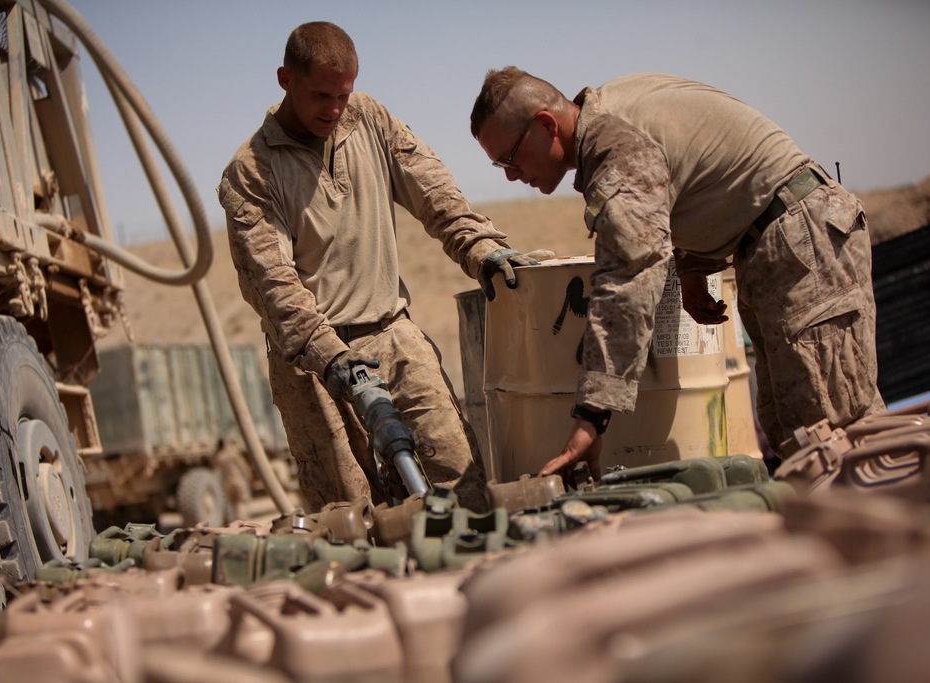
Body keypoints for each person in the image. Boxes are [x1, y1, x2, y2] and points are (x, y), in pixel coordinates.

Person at [469, 68, 885, 481]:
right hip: (779, 243)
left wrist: (592, 416)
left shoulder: (618, 149)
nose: (510, 175)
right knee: (794, 428)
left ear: (545, 124)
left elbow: (627, 282)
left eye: (509, 158)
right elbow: (699, 171)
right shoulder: (613, 108)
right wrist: (692, 268)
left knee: (833, 433)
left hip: (799, 243)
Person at [218, 23, 544, 513]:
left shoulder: (369, 119)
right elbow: (274, 286)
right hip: (316, 363)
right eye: (320, 95)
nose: (333, 109)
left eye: (343, 95)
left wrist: (481, 249)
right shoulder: (251, 172)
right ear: (285, 80)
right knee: (353, 514)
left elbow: (436, 195)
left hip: (394, 334)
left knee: (463, 486)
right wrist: (334, 361)